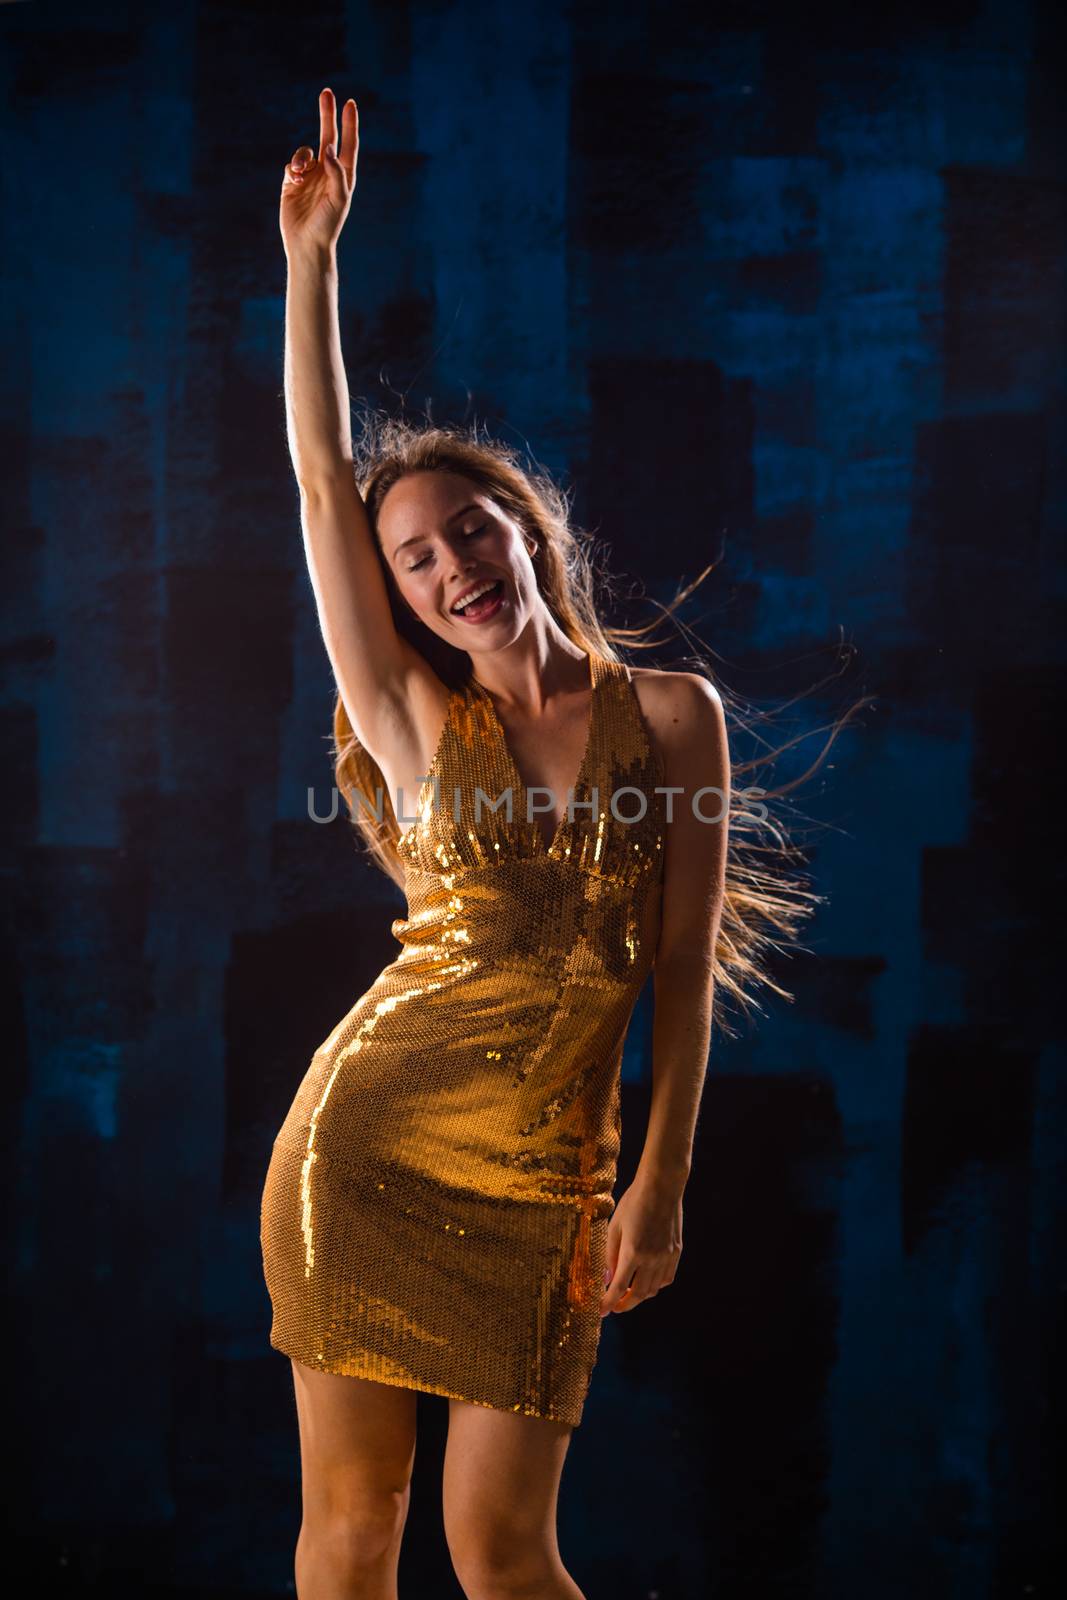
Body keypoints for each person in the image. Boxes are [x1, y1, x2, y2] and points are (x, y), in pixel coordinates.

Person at [260, 86, 848, 1600]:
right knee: (353, 1534)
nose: (450, 566)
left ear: (527, 529)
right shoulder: (399, 715)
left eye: (470, 530)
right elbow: (324, 482)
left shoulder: (673, 715)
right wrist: (312, 261)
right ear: (393, 597)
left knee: (505, 1552)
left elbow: (680, 966)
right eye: (415, 559)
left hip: (547, 1174)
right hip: (369, 1145)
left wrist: (662, 1182)